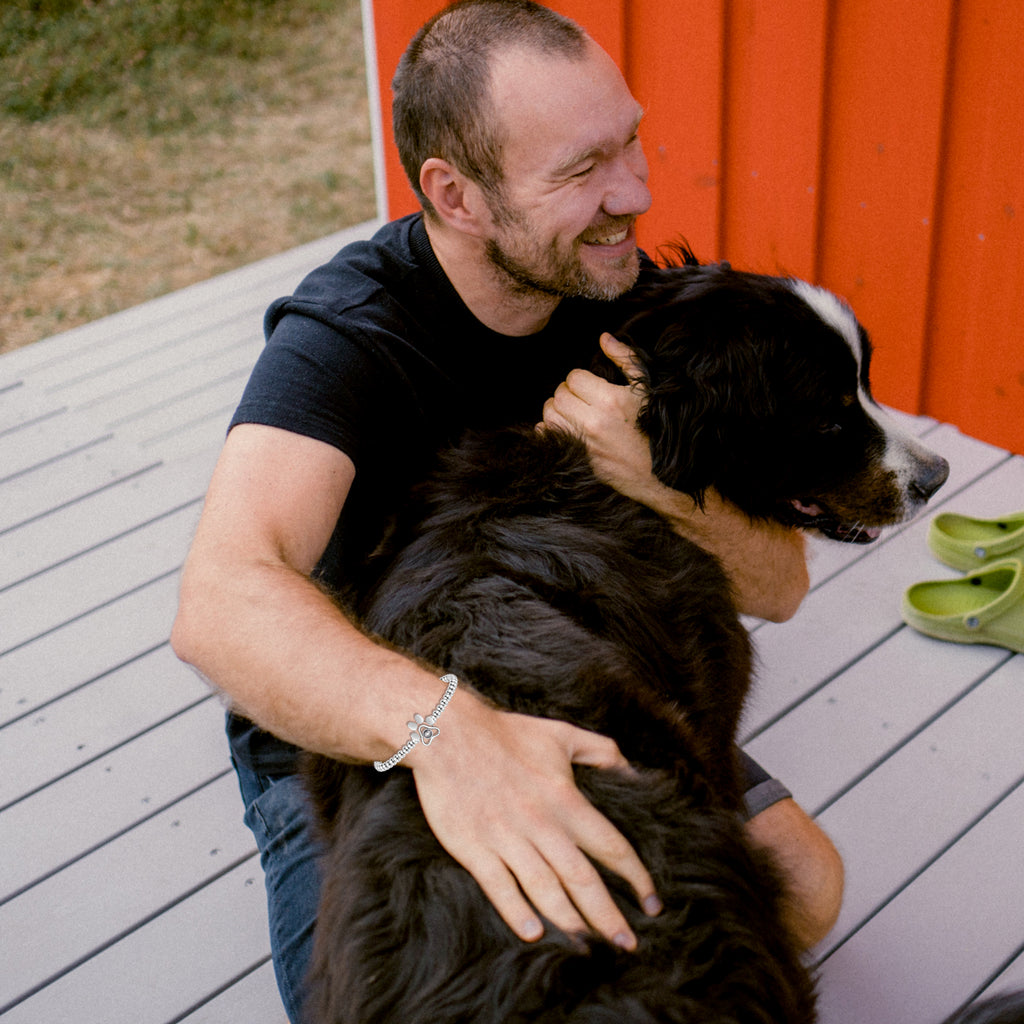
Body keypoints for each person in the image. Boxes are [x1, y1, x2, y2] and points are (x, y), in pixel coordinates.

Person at [171, 1, 843, 1020]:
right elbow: (218, 600)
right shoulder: (345, 336)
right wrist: (452, 738)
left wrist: (654, 479)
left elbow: (780, 585)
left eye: (631, 140)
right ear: (457, 194)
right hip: (372, 716)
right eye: (582, 170)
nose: (636, 192)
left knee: (806, 888)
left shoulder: (622, 296)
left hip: (580, 664)